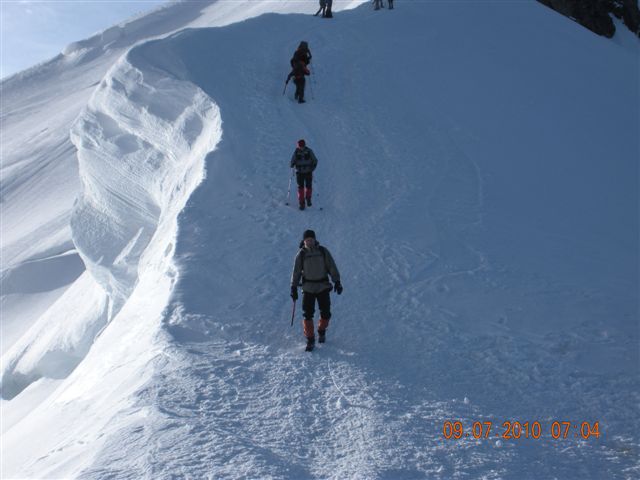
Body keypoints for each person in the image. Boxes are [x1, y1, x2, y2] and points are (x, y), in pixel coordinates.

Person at [290, 230, 342, 351]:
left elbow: (331, 266)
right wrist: (293, 287)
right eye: (307, 240)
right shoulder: (301, 254)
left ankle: (321, 331)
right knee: (307, 314)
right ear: (304, 241)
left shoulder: (323, 251)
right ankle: (310, 339)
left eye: (311, 239)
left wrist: (337, 282)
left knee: (326, 313)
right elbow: (296, 272)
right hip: (308, 288)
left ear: (315, 240)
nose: (309, 241)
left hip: (322, 286)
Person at [289, 139, 318, 210]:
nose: (301, 147)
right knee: (300, 188)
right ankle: (301, 203)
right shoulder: (296, 152)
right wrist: (291, 164)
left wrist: (312, 168)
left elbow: (315, 160)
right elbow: (292, 161)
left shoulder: (309, 151)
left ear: (304, 145)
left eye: (302, 146)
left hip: (308, 172)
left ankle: (308, 199)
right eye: (299, 146)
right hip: (299, 172)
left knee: (309, 186)